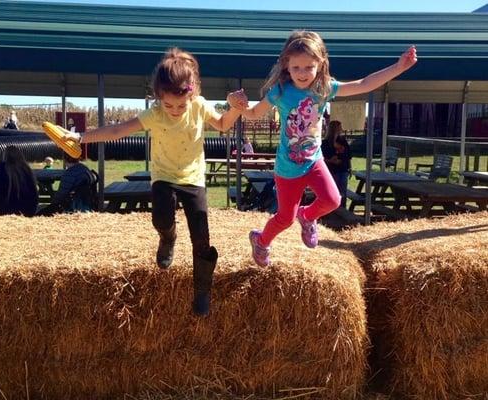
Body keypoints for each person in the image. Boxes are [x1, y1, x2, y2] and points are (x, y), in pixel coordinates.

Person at [63, 47, 244, 317]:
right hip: (164, 176)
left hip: (193, 178)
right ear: (158, 97)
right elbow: (117, 129)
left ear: (191, 93)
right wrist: (81, 137)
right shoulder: (154, 114)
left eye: (180, 105)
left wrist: (236, 109)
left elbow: (222, 124)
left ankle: (202, 291)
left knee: (201, 238)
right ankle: (168, 237)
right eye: (167, 104)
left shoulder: (199, 106)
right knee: (160, 217)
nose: (174, 110)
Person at [228, 30, 417, 267]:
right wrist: (237, 105)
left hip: (314, 161)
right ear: (287, 65)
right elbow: (253, 114)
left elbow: (364, 84)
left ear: (320, 64)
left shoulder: (324, 88)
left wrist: (399, 67)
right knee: (284, 219)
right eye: (296, 68)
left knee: (333, 200)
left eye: (309, 67)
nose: (303, 73)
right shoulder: (280, 92)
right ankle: (261, 240)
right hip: (287, 168)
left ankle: (307, 217)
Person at [0, 145, 38, 216]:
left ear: (5, 156)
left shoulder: (3, 168)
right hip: (29, 210)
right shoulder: (27, 169)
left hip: (7, 209)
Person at [322, 120, 351, 208]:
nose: (341, 129)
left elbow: (349, 155)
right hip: (332, 170)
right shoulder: (325, 143)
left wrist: (350, 167)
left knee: (343, 191)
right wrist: (331, 160)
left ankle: (343, 208)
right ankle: (332, 209)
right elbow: (322, 158)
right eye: (339, 128)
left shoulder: (343, 141)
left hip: (343, 169)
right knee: (333, 190)